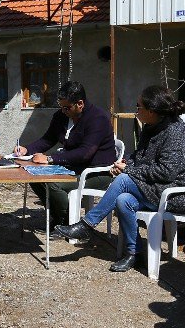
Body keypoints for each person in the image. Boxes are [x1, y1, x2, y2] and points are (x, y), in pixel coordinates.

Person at [55, 86, 185, 272]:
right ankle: (133, 253)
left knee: (124, 180)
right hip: (158, 187)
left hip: (179, 193)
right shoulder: (151, 127)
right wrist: (125, 164)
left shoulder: (175, 132)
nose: (136, 111)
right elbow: (138, 156)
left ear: (152, 110)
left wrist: (130, 170)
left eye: (139, 107)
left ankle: (87, 225)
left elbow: (167, 172)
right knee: (123, 199)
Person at [12, 81, 117, 227]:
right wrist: (27, 149)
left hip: (96, 172)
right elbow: (48, 139)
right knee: (35, 178)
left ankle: (67, 223)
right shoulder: (61, 116)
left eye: (67, 108)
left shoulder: (97, 119)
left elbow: (85, 153)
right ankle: (60, 217)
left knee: (53, 184)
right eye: (61, 107)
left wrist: (50, 159)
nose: (63, 111)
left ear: (80, 104)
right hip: (72, 167)